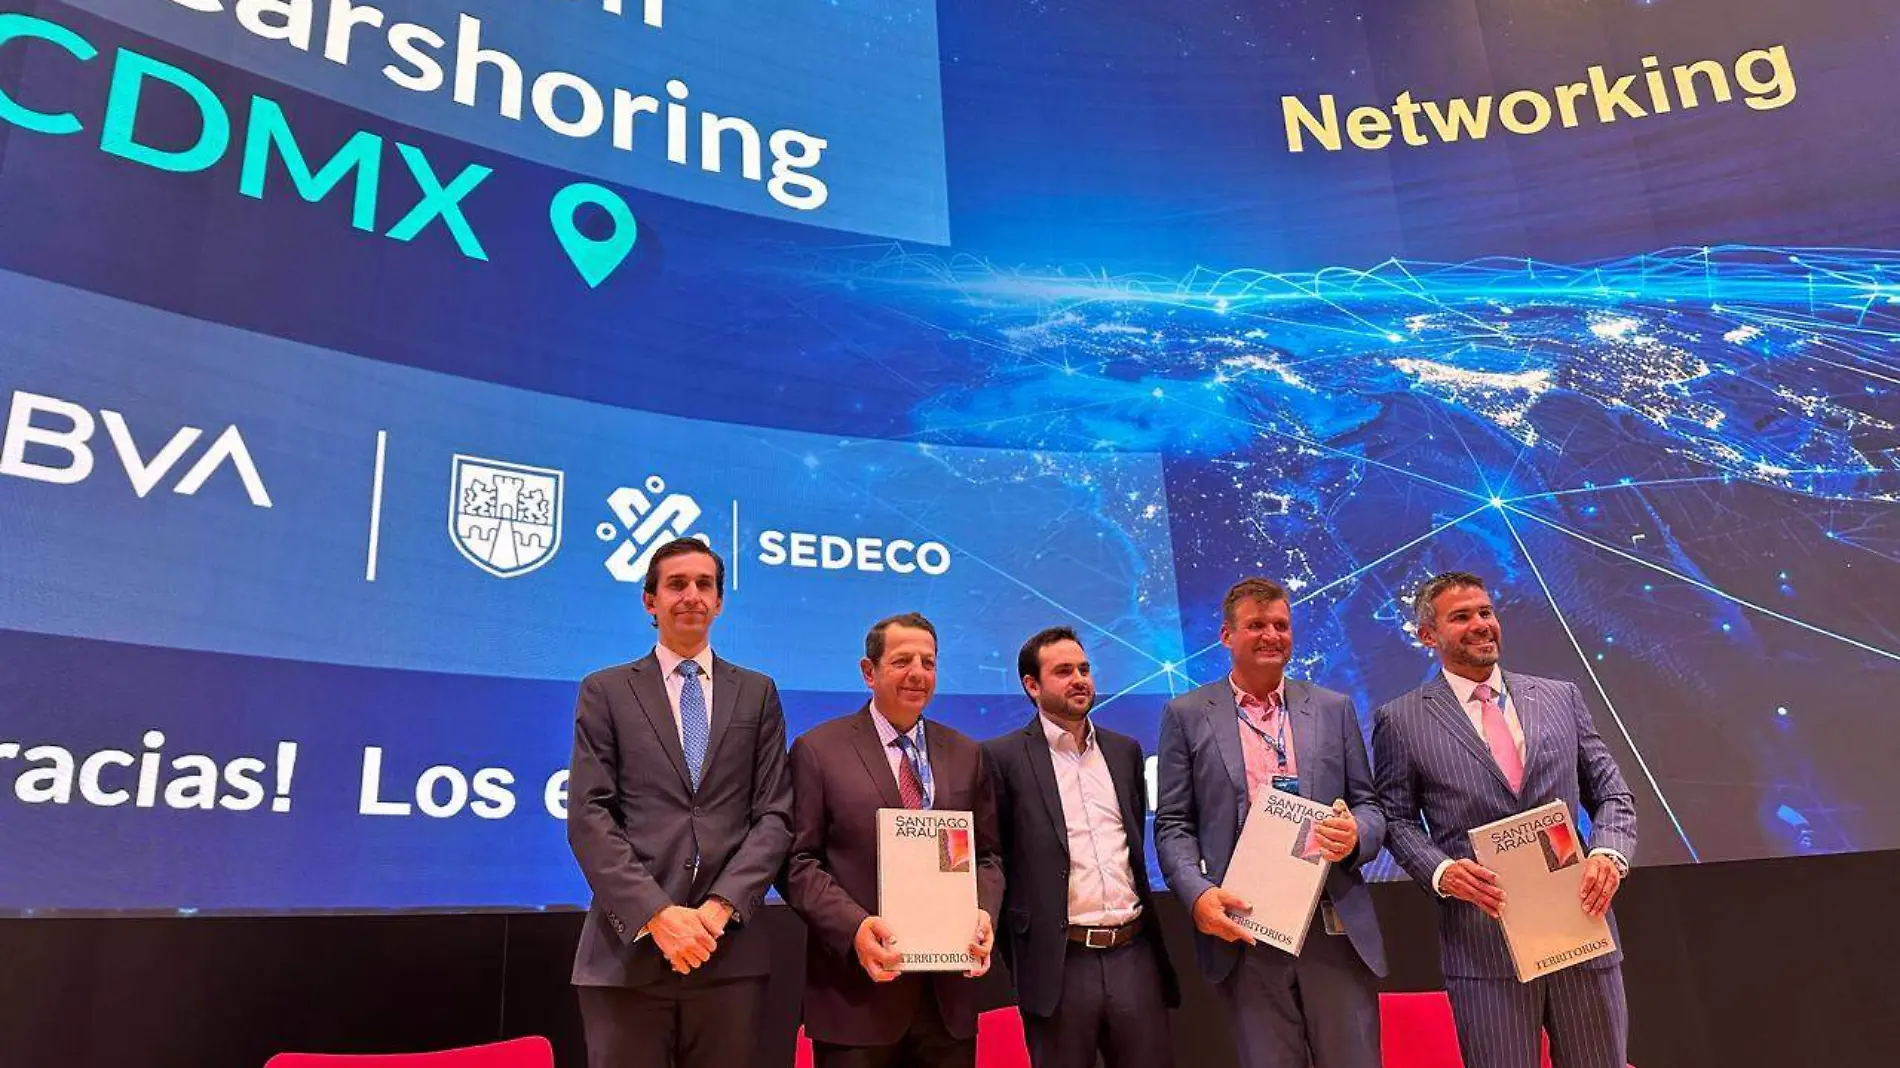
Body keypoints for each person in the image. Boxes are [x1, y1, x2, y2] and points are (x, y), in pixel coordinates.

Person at [1373, 571, 1637, 1068]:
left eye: (1485, 612)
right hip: (1483, 944)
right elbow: (1396, 819)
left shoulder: (1560, 697)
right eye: (1461, 617)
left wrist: (1609, 853)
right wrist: (1442, 871)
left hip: (1580, 930)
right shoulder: (1401, 719)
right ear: (1428, 635)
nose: (1480, 624)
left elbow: (1612, 794)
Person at [566, 537, 793, 1068]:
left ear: (719, 602)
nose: (692, 595)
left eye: (704, 585)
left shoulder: (757, 692)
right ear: (651, 600)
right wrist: (659, 916)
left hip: (728, 953)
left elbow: (775, 816)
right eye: (676, 584)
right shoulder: (605, 690)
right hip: (627, 953)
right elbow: (589, 815)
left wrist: (718, 910)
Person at [1154, 577, 1387, 1068]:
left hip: (1331, 924)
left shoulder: (1333, 708)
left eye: (1281, 625)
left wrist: (1356, 835)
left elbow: (1368, 806)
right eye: (1256, 625)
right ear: (1226, 636)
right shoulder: (1187, 715)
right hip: (1245, 930)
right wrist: (1196, 894)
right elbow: (1174, 824)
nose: (1271, 635)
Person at [784, 612, 1005, 1068]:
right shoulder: (818, 750)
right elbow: (798, 862)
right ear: (869, 672)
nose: (918, 673)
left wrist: (982, 912)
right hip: (856, 998)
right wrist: (854, 929)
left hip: (947, 1003)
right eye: (902, 661)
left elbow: (987, 858)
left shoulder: (966, 754)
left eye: (928, 662)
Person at [981, 626, 1179, 1068]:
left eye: (1084, 669)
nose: (1079, 680)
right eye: (1064, 671)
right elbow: (995, 858)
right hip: (1060, 962)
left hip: (1134, 953)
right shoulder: (1002, 757)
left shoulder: (1125, 751)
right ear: (1032, 685)